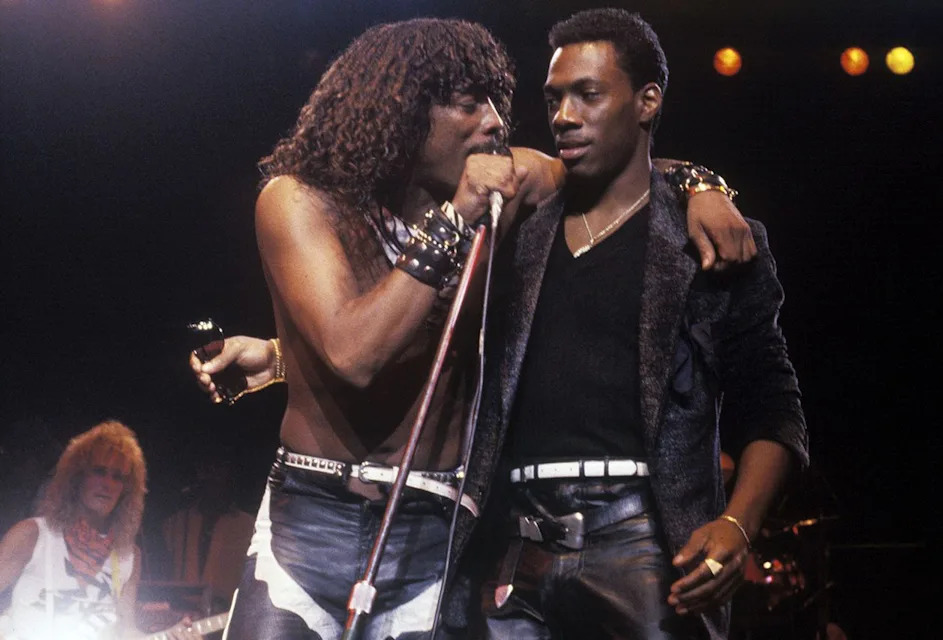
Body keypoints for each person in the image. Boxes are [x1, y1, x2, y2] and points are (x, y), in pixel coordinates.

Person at [190, 17, 755, 640]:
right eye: (468, 104)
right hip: (313, 515)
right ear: (402, 113)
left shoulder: (502, 188)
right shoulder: (301, 201)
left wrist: (702, 185)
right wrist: (453, 219)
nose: (494, 122)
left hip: (441, 523)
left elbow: (613, 166)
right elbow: (354, 353)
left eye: (497, 103)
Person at [460, 9, 809, 639]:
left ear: (647, 101)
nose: (564, 115)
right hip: (512, 544)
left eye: (587, 94)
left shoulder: (707, 240)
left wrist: (737, 524)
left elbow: (773, 406)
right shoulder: (517, 232)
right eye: (554, 98)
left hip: (645, 543)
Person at [0, 420, 199, 640]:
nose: (107, 484)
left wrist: (169, 636)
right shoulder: (32, 535)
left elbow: (126, 631)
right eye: (99, 471)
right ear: (77, 477)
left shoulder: (128, 556)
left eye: (117, 477)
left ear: (127, 489)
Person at [160, 453, 254, 613]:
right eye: (208, 469)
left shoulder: (248, 526)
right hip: (180, 618)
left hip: (226, 619)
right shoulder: (176, 523)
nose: (213, 476)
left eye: (219, 468)